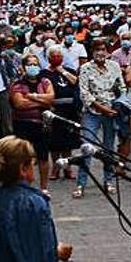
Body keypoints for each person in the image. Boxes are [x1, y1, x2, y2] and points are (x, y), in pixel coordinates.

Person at [77, 40, 124, 195]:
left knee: (109, 148)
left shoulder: (114, 66)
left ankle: (108, 180)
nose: (100, 53)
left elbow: (121, 86)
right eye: (97, 50)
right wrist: (102, 108)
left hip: (111, 112)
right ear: (92, 52)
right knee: (87, 147)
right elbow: (84, 94)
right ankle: (81, 184)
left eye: (103, 49)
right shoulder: (85, 68)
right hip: (93, 112)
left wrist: (119, 103)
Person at [9, 55, 55, 193]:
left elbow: (51, 98)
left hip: (42, 124)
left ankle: (44, 187)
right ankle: (23, 185)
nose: (33, 67)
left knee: (43, 156)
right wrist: (42, 101)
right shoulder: (17, 84)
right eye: (30, 64)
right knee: (23, 156)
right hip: (23, 124)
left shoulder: (45, 82)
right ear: (23, 67)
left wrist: (32, 96)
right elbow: (19, 104)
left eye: (35, 64)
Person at [41, 45, 81, 189]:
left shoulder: (69, 70)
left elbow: (75, 82)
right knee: (55, 141)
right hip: (54, 108)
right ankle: (56, 167)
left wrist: (62, 71)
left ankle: (68, 167)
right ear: (49, 58)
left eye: (59, 55)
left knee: (68, 141)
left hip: (70, 108)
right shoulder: (44, 73)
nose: (57, 58)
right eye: (54, 56)